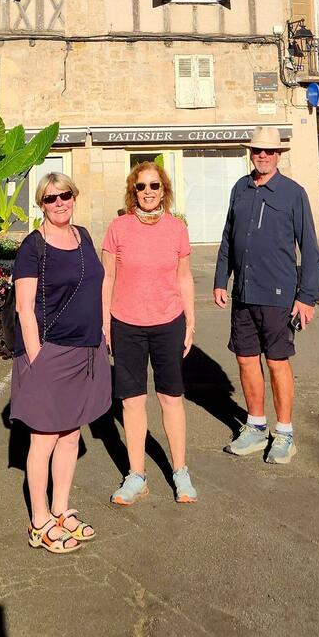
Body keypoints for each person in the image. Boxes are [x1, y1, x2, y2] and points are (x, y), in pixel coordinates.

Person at [11, 174, 111, 553]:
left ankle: (61, 509)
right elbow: (24, 308)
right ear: (41, 203)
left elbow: (96, 286)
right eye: (51, 198)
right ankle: (39, 522)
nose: (59, 203)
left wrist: (101, 333)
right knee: (45, 438)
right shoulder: (33, 247)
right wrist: (38, 361)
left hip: (86, 350)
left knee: (70, 435)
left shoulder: (83, 236)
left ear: (74, 197)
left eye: (65, 195)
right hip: (50, 353)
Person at [213, 126, 319, 465]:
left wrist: (306, 297)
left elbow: (311, 250)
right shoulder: (240, 189)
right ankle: (256, 427)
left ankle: (284, 433)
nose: (262, 155)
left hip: (279, 294)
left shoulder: (293, 193)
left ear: (278, 156)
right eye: (257, 150)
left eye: (269, 151)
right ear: (251, 152)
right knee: (245, 360)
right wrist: (220, 280)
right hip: (244, 293)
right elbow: (228, 238)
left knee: (276, 363)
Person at [101, 162, 197, 505]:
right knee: (132, 401)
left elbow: (184, 277)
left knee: (171, 398)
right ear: (133, 190)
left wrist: (190, 322)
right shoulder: (118, 228)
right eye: (141, 186)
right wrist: (106, 324)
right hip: (126, 324)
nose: (148, 192)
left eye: (154, 186)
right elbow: (107, 279)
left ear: (164, 190)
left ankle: (180, 472)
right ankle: (137, 475)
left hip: (168, 322)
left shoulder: (176, 230)